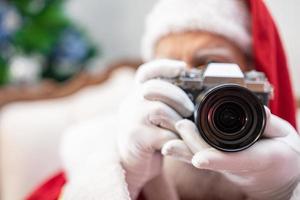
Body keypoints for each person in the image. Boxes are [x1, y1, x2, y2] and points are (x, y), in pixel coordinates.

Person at [27, 0, 300, 199]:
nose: (191, 95)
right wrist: (125, 176)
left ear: (256, 80)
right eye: (175, 76)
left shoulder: (288, 160)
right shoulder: (96, 148)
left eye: (210, 67)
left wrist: (281, 192)